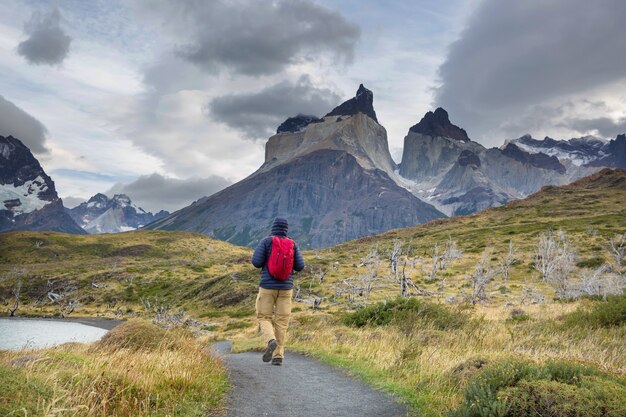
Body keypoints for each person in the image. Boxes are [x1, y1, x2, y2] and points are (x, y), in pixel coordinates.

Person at [251, 217, 305, 366]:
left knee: (263, 317)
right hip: (286, 289)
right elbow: (300, 266)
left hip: (267, 287)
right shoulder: (292, 244)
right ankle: (278, 356)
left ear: (273, 228)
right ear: (286, 229)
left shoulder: (266, 241)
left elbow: (256, 262)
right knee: (282, 322)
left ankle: (270, 340)